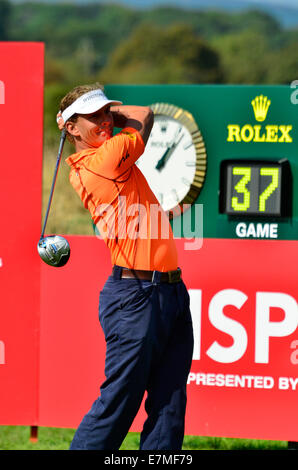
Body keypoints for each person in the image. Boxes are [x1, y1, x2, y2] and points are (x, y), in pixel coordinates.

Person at [57, 83, 194, 450]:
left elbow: (135, 116)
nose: (104, 121)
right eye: (93, 116)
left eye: (106, 112)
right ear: (70, 129)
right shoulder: (103, 160)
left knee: (169, 404)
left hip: (169, 292)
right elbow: (145, 114)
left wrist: (93, 117)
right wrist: (111, 120)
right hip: (136, 296)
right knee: (119, 403)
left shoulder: (108, 155)